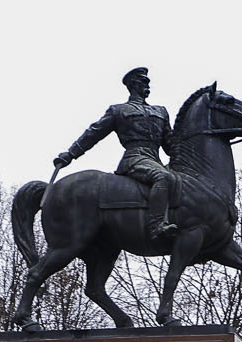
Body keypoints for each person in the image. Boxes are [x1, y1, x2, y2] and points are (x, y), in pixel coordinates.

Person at [53, 67, 178, 243]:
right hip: (134, 158)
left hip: (154, 159)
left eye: (148, 82)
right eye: (144, 82)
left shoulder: (160, 112)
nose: (148, 85)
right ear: (133, 85)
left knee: (180, 181)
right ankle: (157, 226)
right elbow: (94, 133)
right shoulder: (119, 110)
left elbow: (170, 145)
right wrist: (70, 154)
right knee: (163, 177)